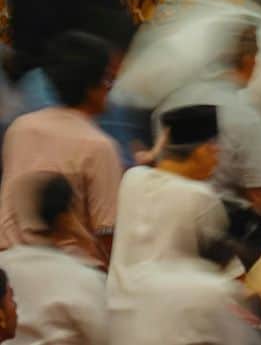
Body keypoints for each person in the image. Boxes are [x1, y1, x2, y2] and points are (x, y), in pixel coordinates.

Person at [153, 27, 261, 249]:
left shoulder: (171, 102)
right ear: (249, 61)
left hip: (163, 212)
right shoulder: (247, 115)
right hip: (217, 222)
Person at [0, 33, 121, 264]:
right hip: (74, 273)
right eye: (108, 79)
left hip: (10, 266)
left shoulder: (20, 127)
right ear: (92, 86)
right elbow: (107, 236)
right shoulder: (99, 146)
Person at [106, 104, 230, 317]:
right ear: (204, 150)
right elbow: (224, 267)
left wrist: (156, 152)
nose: (218, 155)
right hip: (170, 317)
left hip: (117, 311)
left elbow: (149, 169)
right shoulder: (200, 196)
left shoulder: (131, 179)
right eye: (216, 147)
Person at [0, 176, 109, 344]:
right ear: (67, 218)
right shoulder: (84, 279)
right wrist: (88, 240)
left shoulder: (4, 262)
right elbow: (106, 338)